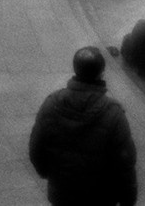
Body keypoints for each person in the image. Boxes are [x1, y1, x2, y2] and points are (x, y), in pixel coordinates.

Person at [29, 46, 138, 206]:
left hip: (62, 194)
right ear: (101, 73)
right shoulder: (114, 113)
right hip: (100, 197)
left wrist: (50, 175)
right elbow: (125, 164)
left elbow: (36, 149)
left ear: (75, 69)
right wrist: (128, 200)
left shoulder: (51, 103)